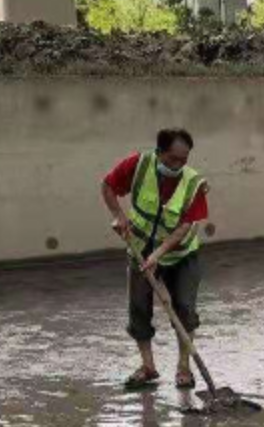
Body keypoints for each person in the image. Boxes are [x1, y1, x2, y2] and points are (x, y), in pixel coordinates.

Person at [101, 128, 209, 390]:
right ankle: (148, 366)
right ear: (159, 152)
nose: (179, 165)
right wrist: (119, 215)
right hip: (139, 248)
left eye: (184, 160)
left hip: (181, 255)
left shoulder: (193, 182)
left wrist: (158, 255)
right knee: (138, 308)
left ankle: (184, 368)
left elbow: (184, 227)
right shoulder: (138, 165)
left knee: (183, 308)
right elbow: (107, 186)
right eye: (173, 159)